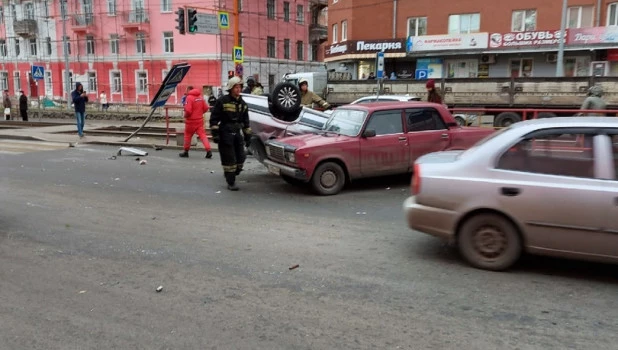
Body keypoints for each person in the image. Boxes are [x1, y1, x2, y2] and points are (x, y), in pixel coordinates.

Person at [209, 76, 252, 191]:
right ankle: (231, 182)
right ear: (231, 88)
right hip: (225, 133)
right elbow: (214, 118)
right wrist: (216, 134)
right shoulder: (222, 101)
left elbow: (246, 122)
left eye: (240, 87)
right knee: (229, 159)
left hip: (237, 133)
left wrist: (248, 137)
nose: (238, 89)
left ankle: (231, 173)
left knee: (241, 158)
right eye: (236, 87)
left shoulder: (243, 104)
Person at [179, 86, 212, 159]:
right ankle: (208, 150)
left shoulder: (189, 98)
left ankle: (186, 152)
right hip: (199, 120)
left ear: (189, 90)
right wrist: (200, 113)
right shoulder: (200, 97)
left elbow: (188, 110)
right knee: (203, 135)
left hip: (190, 121)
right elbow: (206, 108)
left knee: (187, 136)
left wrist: (186, 116)